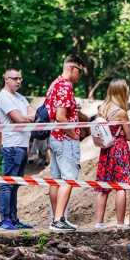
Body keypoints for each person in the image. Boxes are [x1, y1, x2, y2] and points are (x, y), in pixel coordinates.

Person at [47, 55, 85, 231]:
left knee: (56, 179)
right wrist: (75, 135)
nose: (80, 75)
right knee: (68, 179)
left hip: (54, 138)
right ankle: (58, 219)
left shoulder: (54, 84)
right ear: (72, 68)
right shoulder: (64, 86)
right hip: (65, 139)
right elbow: (61, 117)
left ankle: (56, 218)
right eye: (80, 71)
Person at [0, 67, 35, 230]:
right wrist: (21, 118)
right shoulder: (3, 97)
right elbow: (19, 118)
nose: (18, 81)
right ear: (6, 79)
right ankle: (4, 220)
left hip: (23, 146)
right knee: (7, 184)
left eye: (20, 78)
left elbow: (34, 114)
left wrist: (23, 118)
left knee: (16, 184)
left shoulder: (19, 97)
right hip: (11, 146)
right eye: (15, 78)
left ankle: (13, 218)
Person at [94, 79, 130, 229]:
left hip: (105, 149)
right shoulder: (122, 113)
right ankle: (120, 223)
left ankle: (99, 222)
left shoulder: (101, 108)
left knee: (103, 187)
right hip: (119, 148)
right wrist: (123, 132)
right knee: (121, 186)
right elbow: (129, 136)